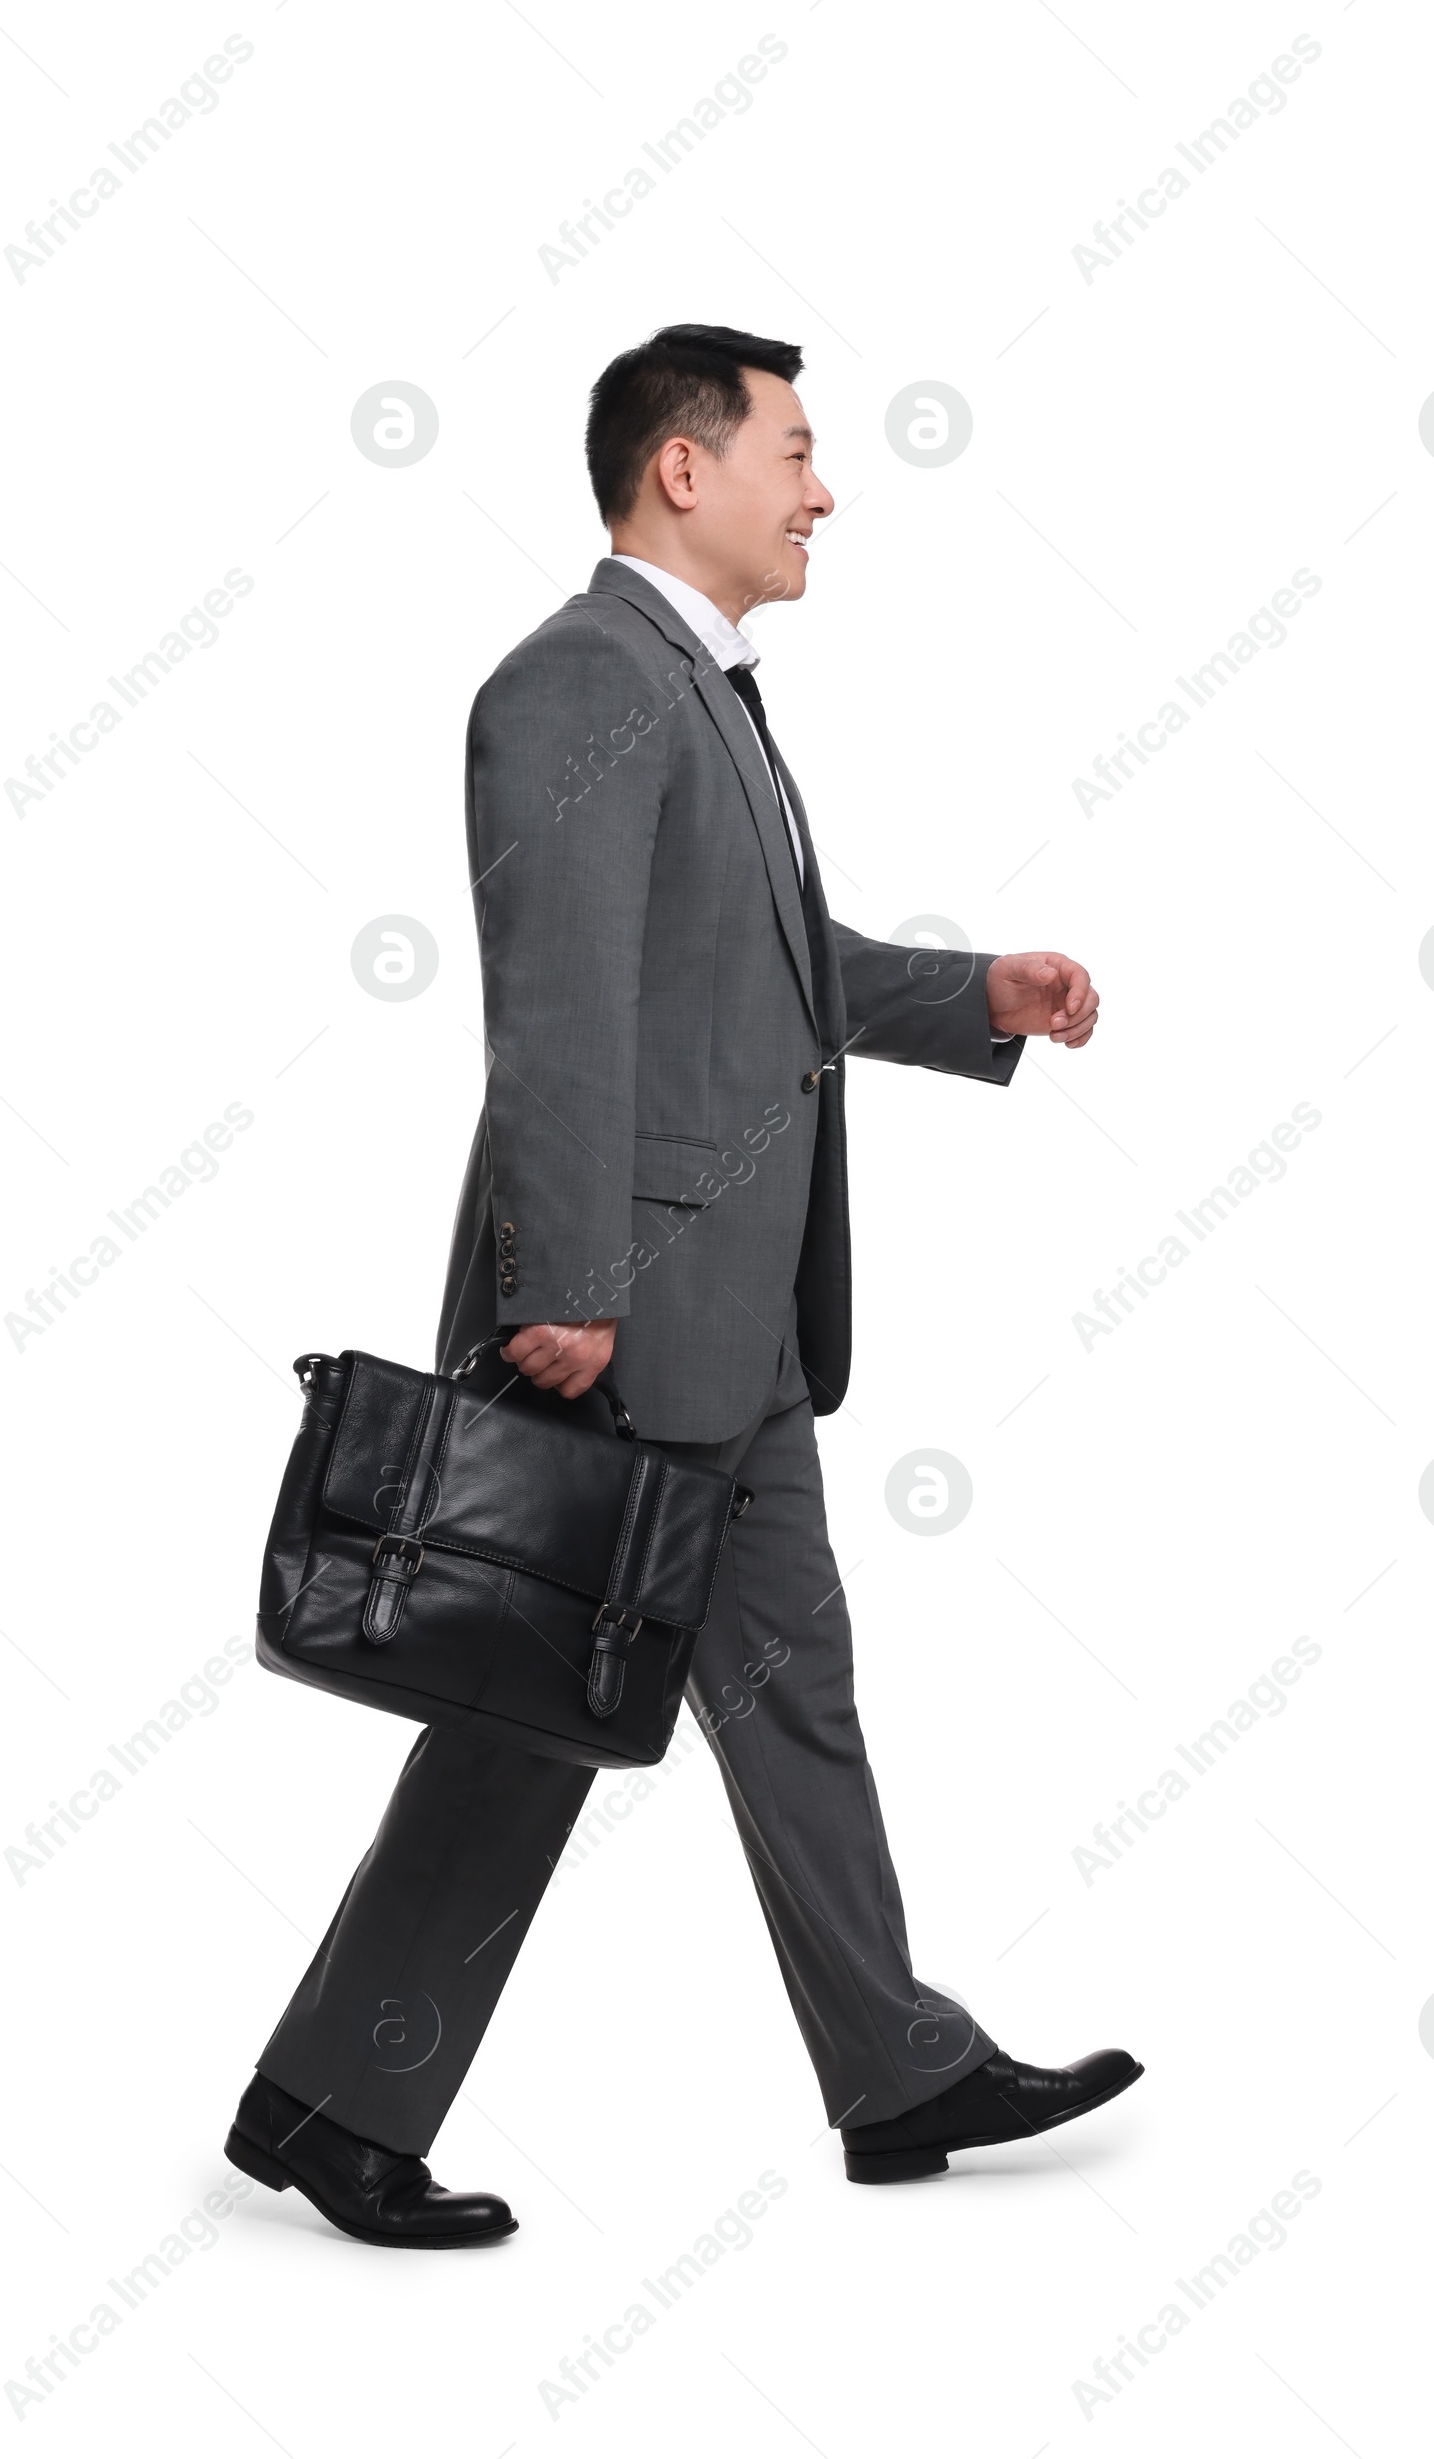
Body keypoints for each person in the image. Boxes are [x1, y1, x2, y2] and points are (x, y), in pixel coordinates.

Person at [225, 324, 1141, 2246]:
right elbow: (554, 1001)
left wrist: (976, 994)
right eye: (798, 451)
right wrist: (568, 1282)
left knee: (782, 1693)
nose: (824, 491)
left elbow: (771, 963)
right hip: (625, 1314)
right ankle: (336, 2099)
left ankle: (898, 2066)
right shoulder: (578, 684)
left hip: (738, 1330)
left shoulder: (702, 693)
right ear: (681, 471)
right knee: (534, 1713)